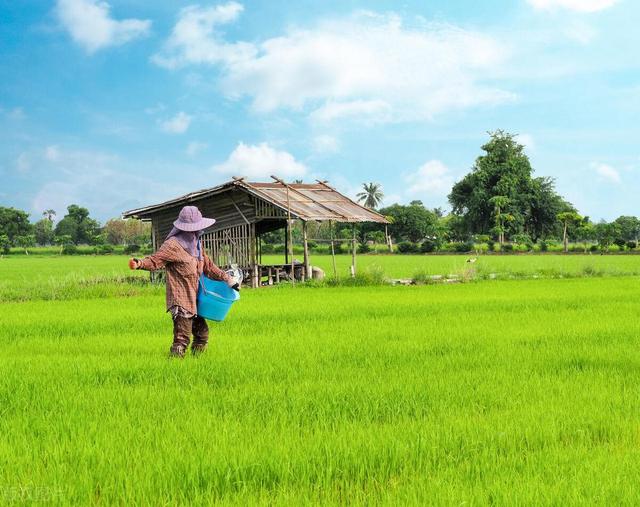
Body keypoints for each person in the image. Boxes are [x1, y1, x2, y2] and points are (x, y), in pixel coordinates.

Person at [129, 205, 239, 358]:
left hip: (195, 299)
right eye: (191, 228)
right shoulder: (173, 245)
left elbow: (209, 267)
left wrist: (229, 280)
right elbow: (155, 261)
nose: (194, 231)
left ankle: (197, 364)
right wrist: (139, 263)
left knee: (202, 335)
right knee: (182, 338)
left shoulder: (197, 245)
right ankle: (174, 366)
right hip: (180, 299)